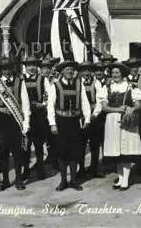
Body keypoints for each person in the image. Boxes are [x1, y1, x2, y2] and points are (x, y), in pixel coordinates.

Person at [97, 62, 141, 190]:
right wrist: (118, 109)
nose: (115, 75)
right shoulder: (107, 88)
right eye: (113, 73)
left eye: (117, 73)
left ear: (122, 74)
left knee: (126, 149)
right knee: (116, 150)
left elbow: (139, 104)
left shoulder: (131, 87)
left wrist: (131, 109)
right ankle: (120, 178)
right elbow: (105, 108)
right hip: (112, 121)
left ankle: (126, 180)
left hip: (127, 121)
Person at [0, 58, 31, 191]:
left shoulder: (20, 82)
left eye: (8, 68)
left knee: (18, 152)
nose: (6, 70)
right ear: (1, 70)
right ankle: (4, 180)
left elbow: (25, 104)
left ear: (12, 68)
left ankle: (18, 179)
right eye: (3, 68)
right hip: (1, 121)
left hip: (16, 121)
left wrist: (26, 122)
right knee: (2, 153)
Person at [47, 61, 91, 191]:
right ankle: (63, 181)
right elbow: (50, 105)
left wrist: (87, 118)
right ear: (62, 72)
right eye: (67, 70)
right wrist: (52, 123)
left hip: (75, 122)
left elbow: (84, 101)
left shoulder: (79, 84)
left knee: (74, 151)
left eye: (72, 70)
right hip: (61, 122)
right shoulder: (55, 85)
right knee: (61, 152)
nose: (70, 72)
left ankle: (73, 180)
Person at [21, 55, 52, 181]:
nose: (32, 68)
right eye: (29, 65)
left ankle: (40, 169)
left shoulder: (43, 80)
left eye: (34, 65)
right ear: (25, 67)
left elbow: (49, 96)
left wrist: (43, 104)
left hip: (39, 116)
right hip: (25, 116)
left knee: (39, 145)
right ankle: (26, 170)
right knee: (25, 146)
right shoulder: (21, 79)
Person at [78, 60, 104, 179]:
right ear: (80, 71)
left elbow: (100, 100)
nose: (87, 72)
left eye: (89, 70)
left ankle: (94, 169)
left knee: (95, 144)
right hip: (81, 117)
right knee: (81, 144)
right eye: (84, 70)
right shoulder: (77, 82)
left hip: (94, 117)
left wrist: (95, 114)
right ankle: (81, 169)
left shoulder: (96, 82)